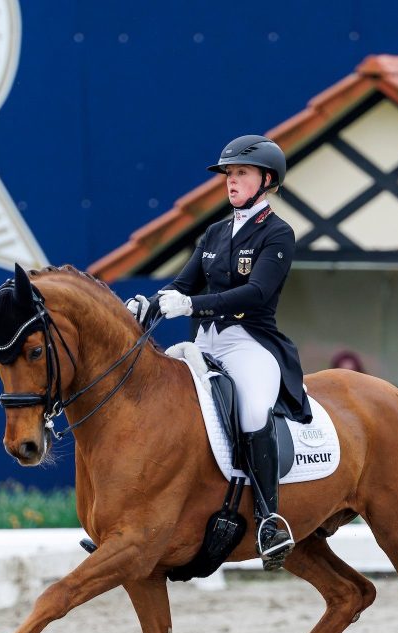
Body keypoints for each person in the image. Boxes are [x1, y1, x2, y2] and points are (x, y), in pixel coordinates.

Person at [125, 135, 311, 571]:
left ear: (267, 180)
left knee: (253, 412)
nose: (231, 181)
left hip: (249, 342)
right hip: (204, 344)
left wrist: (192, 306)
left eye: (241, 173)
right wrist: (148, 304)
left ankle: (269, 520)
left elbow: (257, 292)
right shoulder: (214, 232)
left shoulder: (277, 233)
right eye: (229, 174)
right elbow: (182, 285)